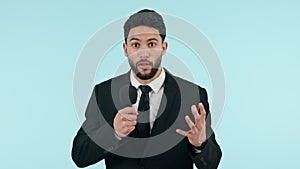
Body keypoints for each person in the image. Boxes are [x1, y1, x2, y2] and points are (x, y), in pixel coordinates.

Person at [72, 9, 222, 169]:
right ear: (125, 49)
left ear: (164, 47)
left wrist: (200, 145)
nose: (144, 53)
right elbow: (80, 155)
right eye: (136, 45)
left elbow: (212, 164)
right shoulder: (103, 93)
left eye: (151, 44)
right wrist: (113, 133)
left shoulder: (193, 95)